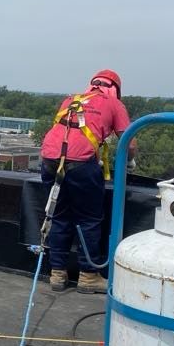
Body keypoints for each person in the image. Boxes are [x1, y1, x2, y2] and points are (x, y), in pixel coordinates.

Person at [40, 69, 134, 294]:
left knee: (60, 217)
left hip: (50, 161)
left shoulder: (71, 100)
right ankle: (88, 276)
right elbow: (129, 142)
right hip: (81, 165)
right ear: (115, 89)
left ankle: (57, 273)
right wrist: (129, 162)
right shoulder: (114, 104)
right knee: (89, 219)